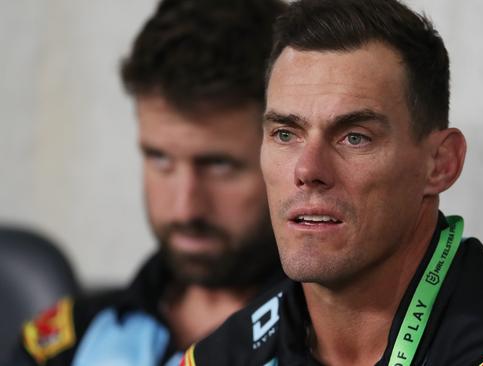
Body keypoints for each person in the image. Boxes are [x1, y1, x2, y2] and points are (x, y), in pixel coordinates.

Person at [183, 0, 483, 365]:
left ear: (440, 164)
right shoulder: (220, 357)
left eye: (354, 137)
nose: (307, 169)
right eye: (285, 134)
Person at [9, 0, 286, 365]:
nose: (184, 207)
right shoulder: (64, 343)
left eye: (219, 165)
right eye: (160, 159)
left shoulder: (339, 347)